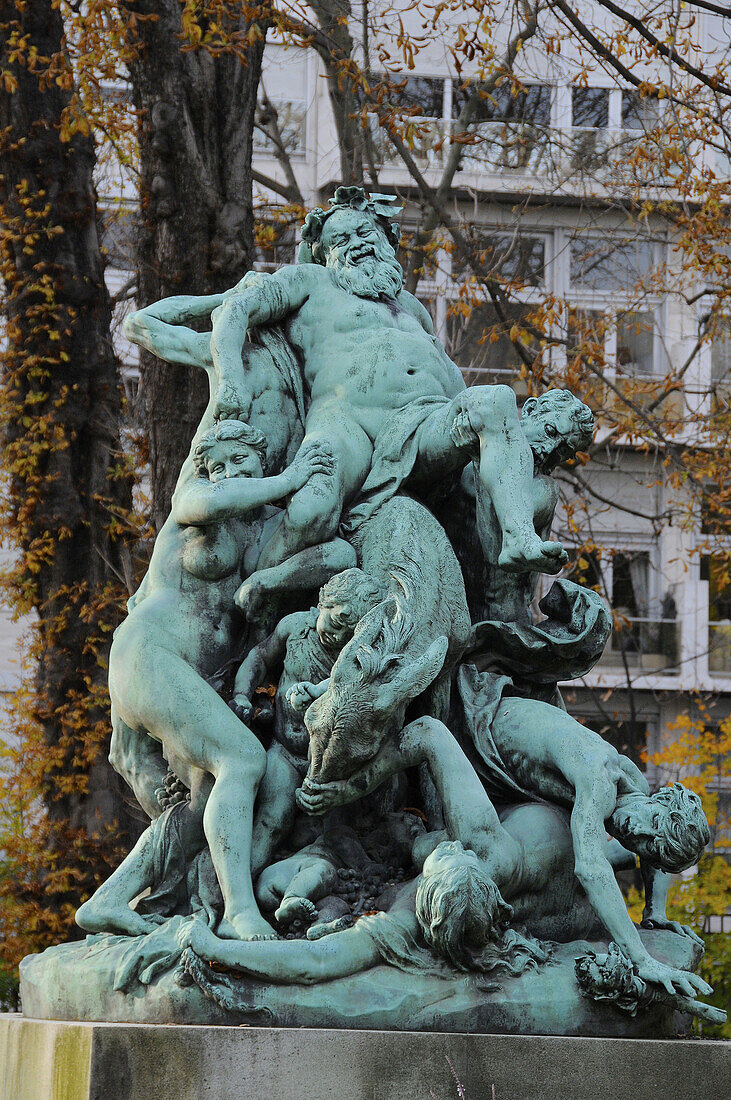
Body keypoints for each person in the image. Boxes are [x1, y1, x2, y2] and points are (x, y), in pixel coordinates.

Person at [169, 188, 594, 598]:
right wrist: (230, 381)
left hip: (422, 421)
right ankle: (260, 592)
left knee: (496, 400)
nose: (356, 244)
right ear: (323, 253)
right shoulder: (311, 282)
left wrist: (491, 435)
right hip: (345, 424)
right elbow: (234, 310)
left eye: (364, 232)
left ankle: (517, 539)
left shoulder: (412, 309)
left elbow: (450, 382)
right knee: (309, 510)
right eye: (341, 239)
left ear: (387, 239)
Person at [105, 375, 349, 939]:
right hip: (150, 654)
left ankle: (110, 899)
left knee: (199, 809)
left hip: (186, 677)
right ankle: (240, 911)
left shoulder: (260, 534)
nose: (230, 469)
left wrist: (276, 577)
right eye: (222, 460)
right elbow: (205, 497)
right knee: (242, 760)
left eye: (244, 458)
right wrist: (286, 479)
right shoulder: (193, 506)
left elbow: (332, 552)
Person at [295, 715, 711, 997]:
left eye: (647, 848)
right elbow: (590, 866)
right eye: (648, 830)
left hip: (518, 793)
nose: (635, 836)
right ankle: (350, 793)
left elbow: (647, 850)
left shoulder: (631, 791)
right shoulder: (599, 779)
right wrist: (642, 959)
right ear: (658, 801)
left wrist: (655, 911)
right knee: (597, 856)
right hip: (485, 738)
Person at [230, 567, 387, 877]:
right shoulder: (295, 627)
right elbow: (260, 657)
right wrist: (242, 694)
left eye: (351, 631)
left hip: (331, 769)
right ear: (324, 602)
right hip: (286, 753)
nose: (339, 635)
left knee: (341, 834)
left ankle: (346, 878)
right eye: (338, 619)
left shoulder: (360, 659)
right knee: (272, 821)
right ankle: (238, 890)